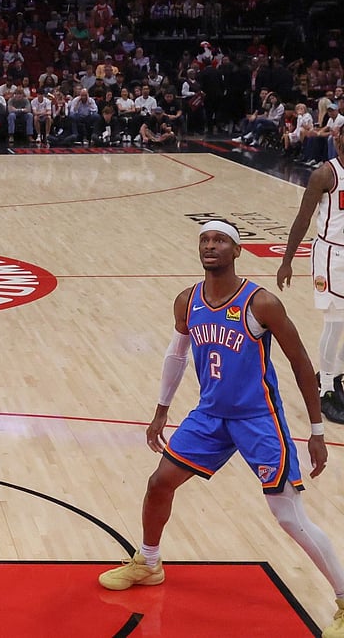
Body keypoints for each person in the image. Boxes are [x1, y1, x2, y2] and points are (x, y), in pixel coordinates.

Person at [99, 220, 344, 638]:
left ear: (236, 251)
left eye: (221, 241)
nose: (211, 246)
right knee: (159, 483)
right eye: (205, 240)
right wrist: (161, 410)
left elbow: (302, 363)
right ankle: (149, 562)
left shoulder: (260, 302)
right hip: (210, 416)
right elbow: (176, 357)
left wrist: (317, 430)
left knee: (287, 515)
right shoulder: (187, 301)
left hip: (258, 419)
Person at [277, 128, 344, 424]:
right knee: (336, 320)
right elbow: (303, 218)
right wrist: (287, 260)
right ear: (339, 140)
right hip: (332, 256)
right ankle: (327, 388)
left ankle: (334, 375)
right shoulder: (324, 175)